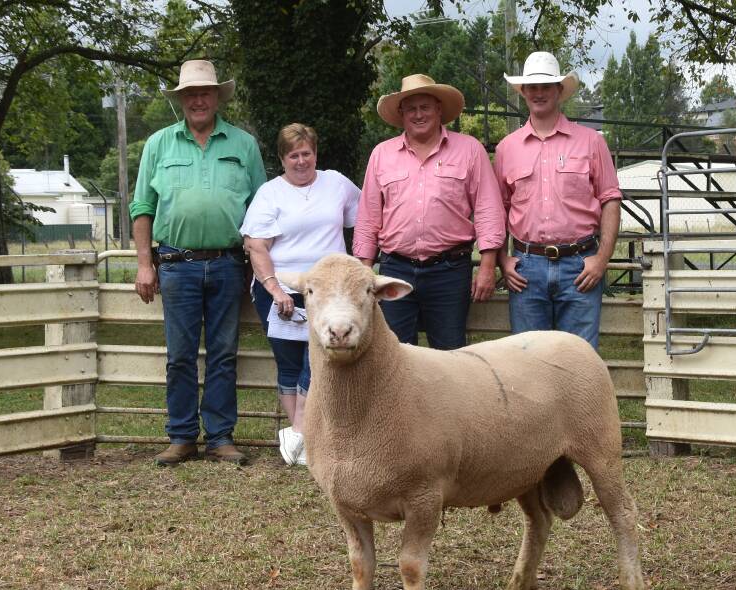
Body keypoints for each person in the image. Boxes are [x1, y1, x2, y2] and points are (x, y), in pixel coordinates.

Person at [130, 60, 266, 466]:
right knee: (180, 355)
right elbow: (141, 207)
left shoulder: (243, 145)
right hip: (175, 262)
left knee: (224, 353)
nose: (198, 100)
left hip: (228, 264)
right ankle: (182, 435)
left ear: (217, 97)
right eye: (191, 94)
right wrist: (144, 263)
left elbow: (262, 208)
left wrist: (259, 266)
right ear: (181, 100)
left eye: (205, 92)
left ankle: (221, 436)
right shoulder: (158, 145)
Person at [353, 74, 506, 349]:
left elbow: (488, 208)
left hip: (448, 270)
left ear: (439, 109)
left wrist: (487, 266)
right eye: (411, 108)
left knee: (450, 355)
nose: (418, 114)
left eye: (425, 107)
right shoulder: (381, 154)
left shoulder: (469, 150)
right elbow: (368, 217)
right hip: (394, 269)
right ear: (401, 114)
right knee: (393, 355)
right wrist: (365, 272)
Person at [242, 123, 360, 467]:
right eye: (293, 155)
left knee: (319, 358)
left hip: (327, 291)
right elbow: (256, 246)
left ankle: (300, 432)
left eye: (306, 153)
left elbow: (364, 219)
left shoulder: (336, 183)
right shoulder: (270, 193)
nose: (301, 161)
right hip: (278, 289)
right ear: (282, 159)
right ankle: (304, 442)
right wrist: (276, 289)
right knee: (290, 363)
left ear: (315, 153)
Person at [493, 52, 621, 349]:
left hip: (580, 266)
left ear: (559, 91)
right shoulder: (506, 149)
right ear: (523, 92)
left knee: (580, 360)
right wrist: (503, 261)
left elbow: (610, 199)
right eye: (532, 87)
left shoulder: (591, 141)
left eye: (546, 86)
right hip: (526, 267)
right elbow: (498, 209)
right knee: (528, 360)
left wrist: (601, 260)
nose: (539, 93)